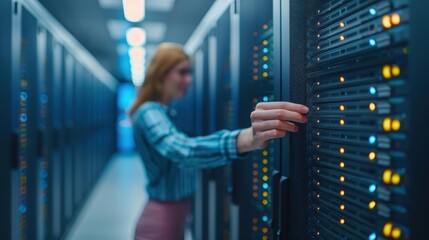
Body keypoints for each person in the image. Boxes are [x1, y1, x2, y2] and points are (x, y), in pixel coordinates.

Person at [129, 43, 309, 240]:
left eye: (190, 73)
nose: (188, 80)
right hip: (160, 221)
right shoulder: (149, 112)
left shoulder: (165, 112)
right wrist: (246, 138)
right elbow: (183, 151)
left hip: (175, 216)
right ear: (161, 73)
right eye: (182, 72)